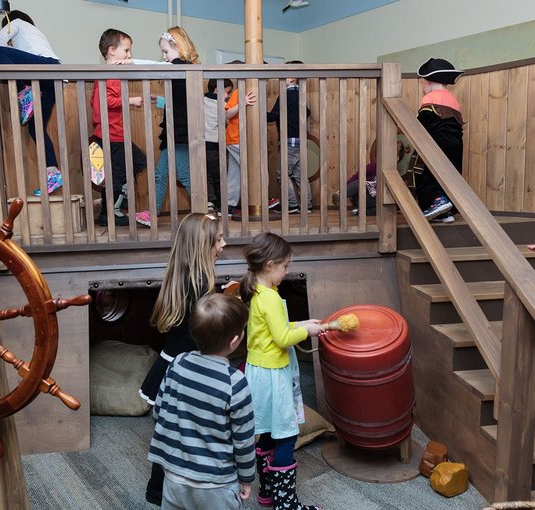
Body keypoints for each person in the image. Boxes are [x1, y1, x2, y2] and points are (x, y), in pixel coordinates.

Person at [139, 213, 226, 505]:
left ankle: (157, 490)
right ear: (204, 246)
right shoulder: (200, 286)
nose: (224, 245)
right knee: (182, 435)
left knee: (168, 433)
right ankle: (174, 491)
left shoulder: (185, 277)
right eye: (219, 239)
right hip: (185, 370)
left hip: (172, 364)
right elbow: (207, 332)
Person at [239, 232, 324, 510]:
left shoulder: (259, 291)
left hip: (258, 373)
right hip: (274, 377)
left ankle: (267, 494)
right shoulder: (271, 298)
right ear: (270, 265)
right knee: (286, 434)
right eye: (285, 266)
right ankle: (286, 505)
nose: (287, 272)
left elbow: (275, 328)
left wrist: (302, 322)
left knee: (266, 432)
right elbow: (282, 339)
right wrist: (307, 331)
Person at [148, 293, 255, 509]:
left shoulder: (178, 363)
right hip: (216, 485)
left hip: (173, 477)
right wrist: (246, 478)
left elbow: (158, 411)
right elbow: (243, 440)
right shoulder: (235, 382)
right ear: (235, 341)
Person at [135, 27, 200, 227]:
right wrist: (160, 100)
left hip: (180, 132)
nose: (164, 57)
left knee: (185, 175)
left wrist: (130, 62)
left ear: (178, 47)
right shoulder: (180, 69)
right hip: (174, 130)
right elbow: (179, 101)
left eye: (166, 52)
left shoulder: (183, 66)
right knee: (161, 173)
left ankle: (202, 212)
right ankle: (152, 214)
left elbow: (184, 103)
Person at [0, 10, 62, 197]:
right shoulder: (35, 34)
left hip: (45, 68)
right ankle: (53, 172)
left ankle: (24, 93)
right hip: (52, 80)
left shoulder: (15, 23)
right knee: (36, 128)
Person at [89, 28, 148, 227]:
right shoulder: (108, 75)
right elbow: (101, 102)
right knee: (119, 173)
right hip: (111, 136)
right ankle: (109, 212)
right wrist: (130, 100)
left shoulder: (110, 75)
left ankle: (114, 204)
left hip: (115, 134)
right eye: (127, 51)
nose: (129, 55)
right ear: (112, 50)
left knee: (136, 162)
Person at [415, 57, 464, 222]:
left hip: (437, 143)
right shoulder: (452, 99)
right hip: (456, 144)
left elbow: (423, 125)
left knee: (428, 173)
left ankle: (437, 201)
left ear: (427, 82)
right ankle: (446, 212)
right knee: (451, 174)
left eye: (422, 83)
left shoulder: (429, 99)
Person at [224, 74, 279, 218]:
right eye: (264, 80)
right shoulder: (238, 92)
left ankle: (229, 206)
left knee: (235, 174)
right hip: (237, 139)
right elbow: (228, 114)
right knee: (256, 166)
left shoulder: (255, 93)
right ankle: (262, 199)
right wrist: (243, 102)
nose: (266, 83)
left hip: (240, 139)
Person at [266, 61, 312, 214]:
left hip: (289, 141)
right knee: (301, 176)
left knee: (282, 174)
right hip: (301, 141)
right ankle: (307, 205)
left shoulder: (285, 95)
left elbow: (273, 116)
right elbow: (307, 113)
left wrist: (258, 113)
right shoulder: (301, 95)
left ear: (292, 77)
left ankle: (292, 205)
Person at [204, 78, 234, 213]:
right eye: (227, 92)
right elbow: (227, 121)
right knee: (219, 176)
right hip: (216, 145)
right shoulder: (222, 104)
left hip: (201, 144)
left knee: (206, 175)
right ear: (217, 89)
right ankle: (222, 204)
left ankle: (210, 201)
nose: (228, 96)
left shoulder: (200, 100)